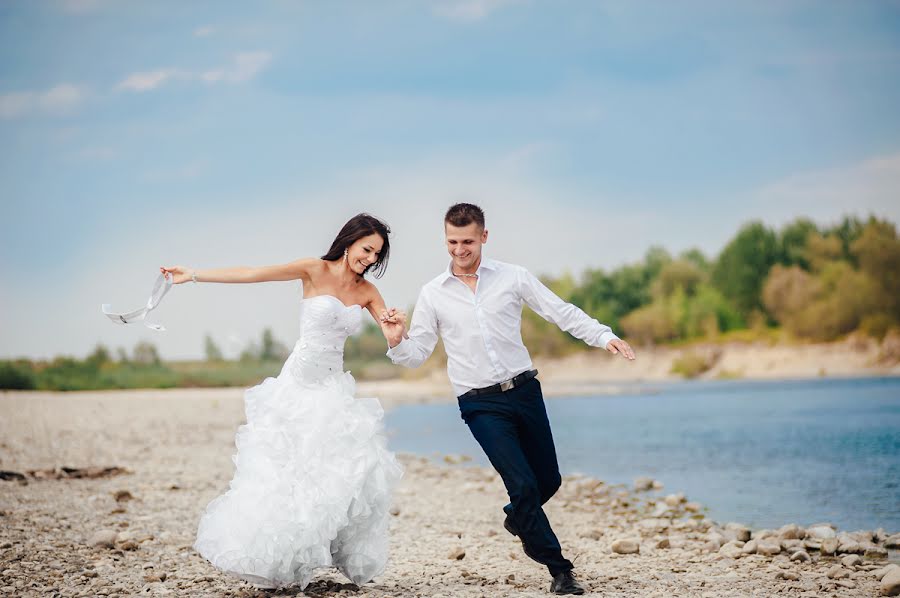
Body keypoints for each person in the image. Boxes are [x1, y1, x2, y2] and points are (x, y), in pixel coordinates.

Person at [381, 203, 635, 596]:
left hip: (524, 391)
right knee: (523, 485)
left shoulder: (513, 277)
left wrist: (603, 336)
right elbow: (417, 354)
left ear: (484, 236)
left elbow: (559, 312)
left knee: (548, 480)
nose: (459, 250)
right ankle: (560, 570)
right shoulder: (432, 294)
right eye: (452, 241)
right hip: (479, 403)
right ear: (444, 239)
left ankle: (519, 518)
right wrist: (397, 339)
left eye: (467, 241)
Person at [161, 213, 404, 591]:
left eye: (376, 254)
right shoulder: (313, 270)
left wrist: (395, 332)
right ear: (351, 240)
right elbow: (253, 273)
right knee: (288, 472)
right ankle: (275, 561)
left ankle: (327, 551)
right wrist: (193, 274)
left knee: (342, 471)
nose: (370, 258)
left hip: (333, 390)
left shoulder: (367, 292)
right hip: (297, 386)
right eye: (367, 249)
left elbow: (394, 342)